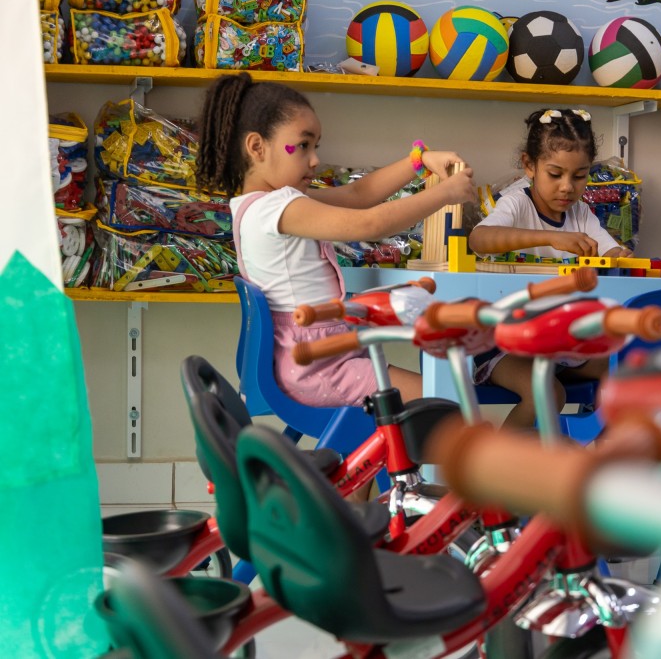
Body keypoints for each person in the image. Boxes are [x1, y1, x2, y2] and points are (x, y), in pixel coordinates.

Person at [196, 71, 476, 413]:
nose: (315, 159)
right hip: (319, 368)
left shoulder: (259, 207)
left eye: (315, 147)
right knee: (448, 401)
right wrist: (445, 194)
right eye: (303, 146)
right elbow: (369, 223)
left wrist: (417, 160)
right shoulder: (278, 208)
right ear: (257, 147)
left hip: (313, 362)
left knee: (439, 400)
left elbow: (358, 195)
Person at [468, 108, 629, 429]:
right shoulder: (516, 203)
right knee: (547, 393)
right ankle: (491, 460)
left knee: (623, 371)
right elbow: (479, 239)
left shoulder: (581, 214)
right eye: (555, 174)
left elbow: (611, 252)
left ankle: (603, 451)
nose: (567, 187)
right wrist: (551, 238)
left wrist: (620, 255)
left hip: (559, 344)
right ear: (530, 165)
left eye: (579, 176)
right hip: (504, 345)